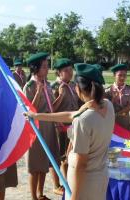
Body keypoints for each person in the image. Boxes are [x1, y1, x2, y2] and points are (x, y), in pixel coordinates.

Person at [25, 63, 114, 200]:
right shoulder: (108, 105)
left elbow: (80, 164)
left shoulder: (83, 120)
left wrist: (74, 197)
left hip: (83, 185)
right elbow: (72, 114)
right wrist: (37, 116)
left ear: (78, 89)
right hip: (100, 178)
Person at [23, 52, 60, 200]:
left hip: (48, 125)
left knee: (44, 163)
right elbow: (30, 110)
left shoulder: (48, 84)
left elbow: (51, 106)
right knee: (35, 165)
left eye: (47, 67)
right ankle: (33, 197)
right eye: (44, 67)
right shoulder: (30, 86)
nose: (47, 70)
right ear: (35, 69)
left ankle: (41, 194)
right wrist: (38, 92)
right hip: (36, 128)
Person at [50, 58, 80, 195]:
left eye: (70, 70)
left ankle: (69, 181)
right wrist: (61, 95)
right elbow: (51, 109)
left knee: (71, 155)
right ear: (59, 73)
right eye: (66, 71)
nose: (70, 73)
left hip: (73, 125)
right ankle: (58, 185)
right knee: (59, 156)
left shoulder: (74, 84)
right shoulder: (54, 87)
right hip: (60, 127)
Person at [106, 63, 130, 131]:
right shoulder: (108, 90)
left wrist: (117, 114)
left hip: (125, 120)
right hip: (112, 121)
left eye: (124, 75)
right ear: (114, 75)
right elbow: (106, 106)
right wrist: (113, 99)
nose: (122, 78)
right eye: (120, 75)